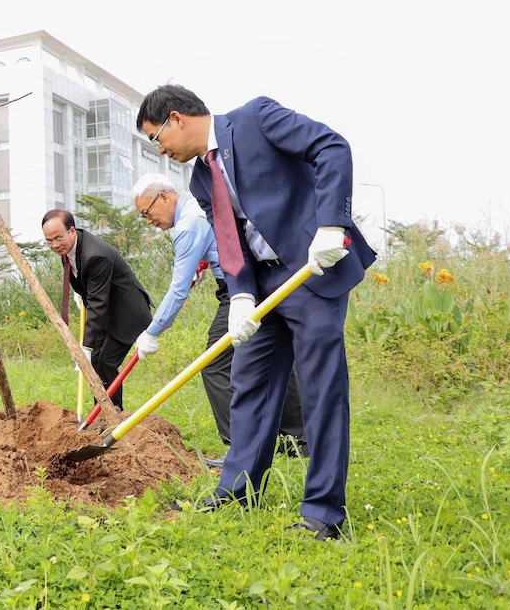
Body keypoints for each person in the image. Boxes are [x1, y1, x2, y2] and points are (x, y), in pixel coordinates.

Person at [136, 85, 374, 541]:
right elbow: (230, 239)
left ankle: (322, 513)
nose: (160, 149)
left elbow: (332, 147)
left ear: (176, 118)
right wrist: (241, 293)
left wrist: (331, 224)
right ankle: (237, 493)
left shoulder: (256, 119)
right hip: (263, 286)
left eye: (156, 137)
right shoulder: (200, 180)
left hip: (309, 270)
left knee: (320, 392)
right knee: (250, 386)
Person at [131, 173, 306, 464]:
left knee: (215, 364)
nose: (148, 221)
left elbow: (177, 290)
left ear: (163, 197)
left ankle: (242, 450)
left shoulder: (188, 224)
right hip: (263, 280)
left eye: (146, 213)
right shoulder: (195, 207)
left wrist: (153, 331)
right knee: (277, 357)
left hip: (240, 290)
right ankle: (298, 440)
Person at [41, 209, 152, 410]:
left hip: (127, 314)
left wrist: (86, 347)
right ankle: (101, 413)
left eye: (58, 238)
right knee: (95, 363)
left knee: (105, 362)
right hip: (106, 313)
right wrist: (80, 291)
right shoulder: (68, 249)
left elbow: (97, 304)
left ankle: (114, 414)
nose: (55, 245)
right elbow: (88, 285)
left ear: (72, 230)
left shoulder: (95, 255)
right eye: (49, 241)